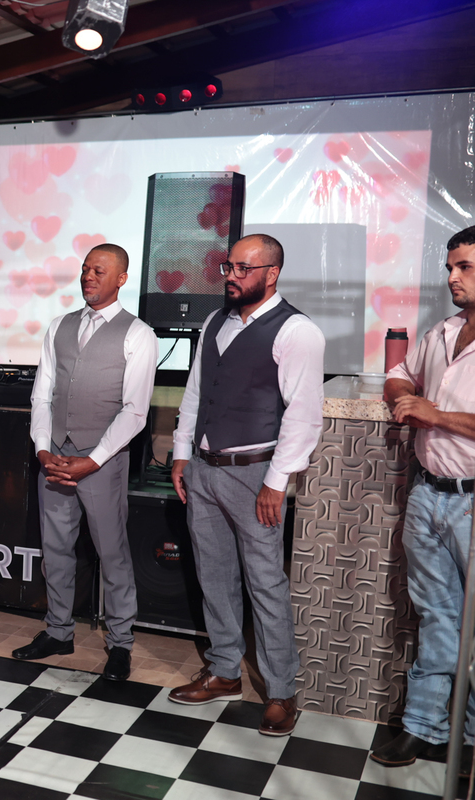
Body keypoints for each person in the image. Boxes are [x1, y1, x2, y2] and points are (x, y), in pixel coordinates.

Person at [167, 233, 324, 737]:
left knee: (265, 582)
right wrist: (182, 453)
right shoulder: (215, 321)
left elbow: (303, 416)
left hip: (256, 472)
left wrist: (276, 483)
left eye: (243, 268)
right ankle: (224, 671)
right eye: (228, 266)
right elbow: (195, 393)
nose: (231, 276)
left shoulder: (297, 331)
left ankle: (280, 691)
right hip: (204, 468)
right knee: (213, 574)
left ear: (272, 274)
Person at [13, 244, 157, 682]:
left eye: (99, 270)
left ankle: (120, 643)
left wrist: (91, 461)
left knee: (112, 553)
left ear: (121, 279)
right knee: (55, 549)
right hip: (56, 456)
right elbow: (42, 394)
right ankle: (58, 631)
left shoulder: (138, 334)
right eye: (85, 269)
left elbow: (135, 411)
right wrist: (42, 448)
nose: (88, 276)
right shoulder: (59, 325)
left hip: (102, 461)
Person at [370, 226, 475, 769]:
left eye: (465, 267)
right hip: (427, 494)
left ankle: (469, 739)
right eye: (450, 267)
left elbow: (439, 414)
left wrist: (436, 415)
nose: (453, 277)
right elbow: (398, 374)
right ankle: (424, 727)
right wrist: (404, 396)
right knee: (437, 615)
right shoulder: (442, 331)